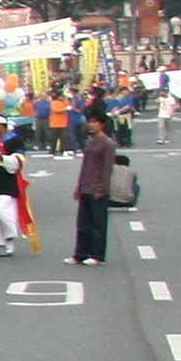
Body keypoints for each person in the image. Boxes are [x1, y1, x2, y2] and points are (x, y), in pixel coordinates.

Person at [73, 113, 120, 263]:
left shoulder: (108, 144)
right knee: (82, 224)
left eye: (94, 122)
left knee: (97, 224)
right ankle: (80, 254)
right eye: (89, 122)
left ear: (101, 124)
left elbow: (107, 169)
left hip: (97, 188)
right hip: (86, 186)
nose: (90, 125)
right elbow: (85, 166)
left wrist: (102, 188)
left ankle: (97, 255)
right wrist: (79, 186)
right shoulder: (89, 142)